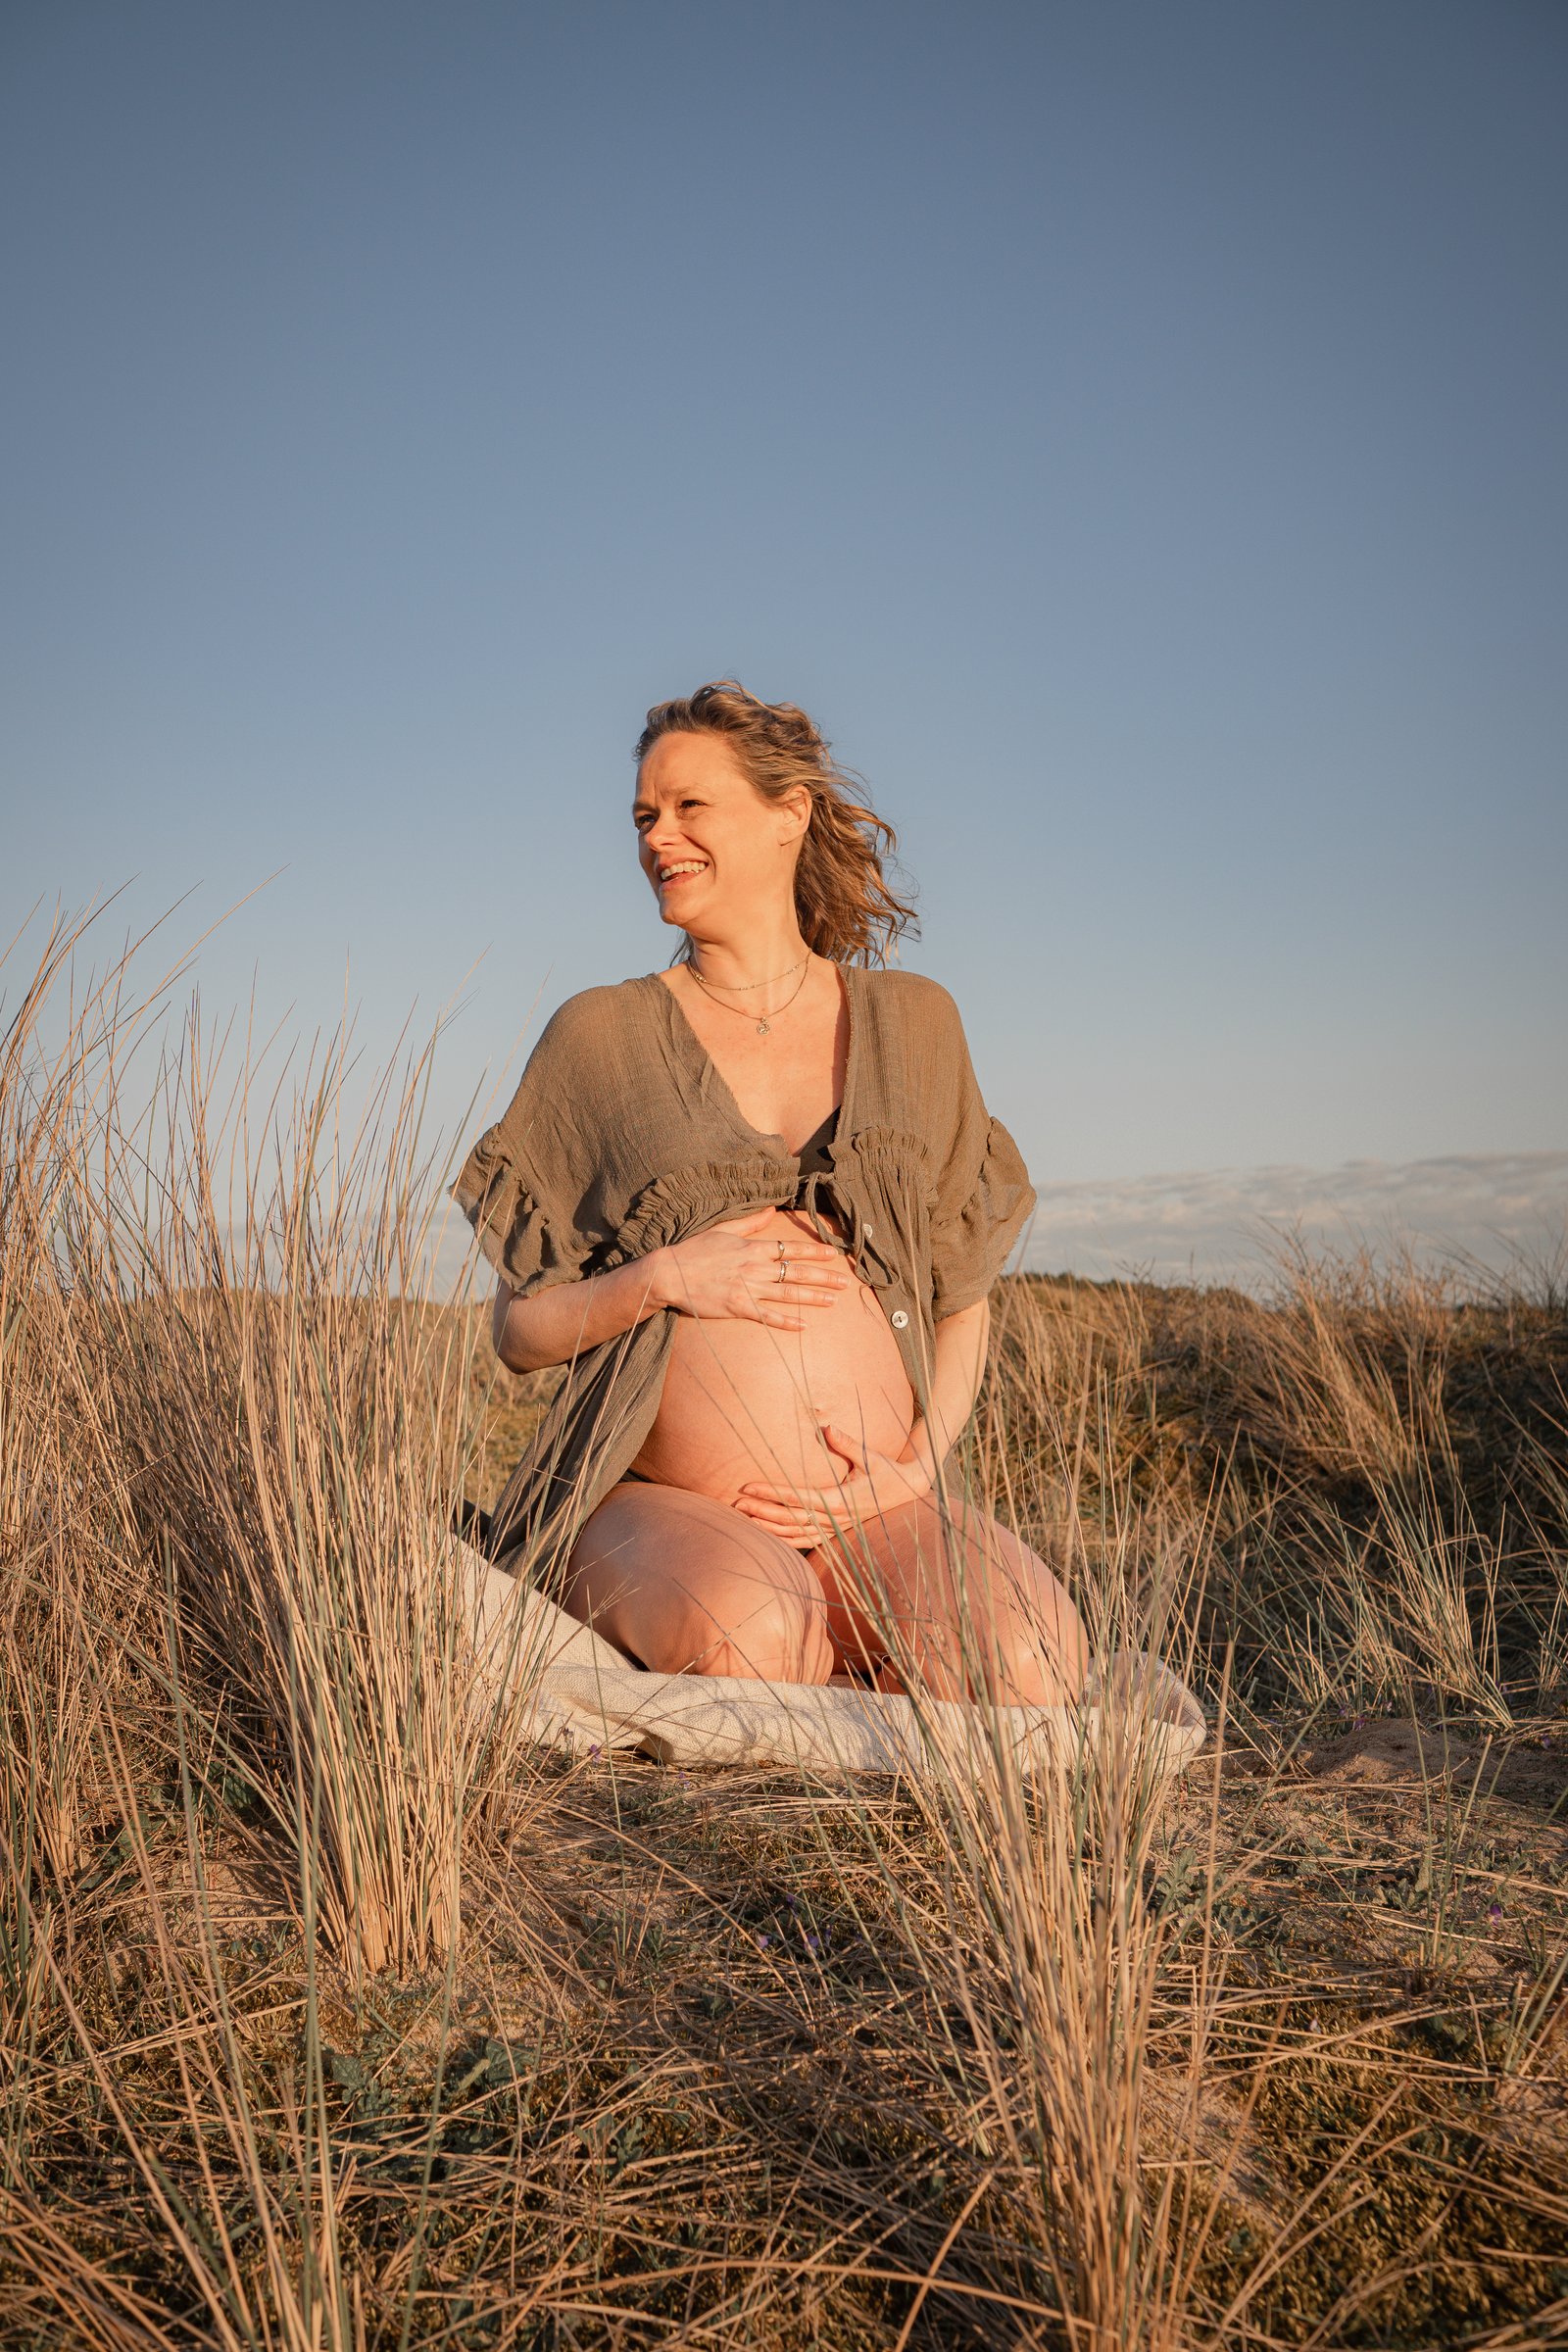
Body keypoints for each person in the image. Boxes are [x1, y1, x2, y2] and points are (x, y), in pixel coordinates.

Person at [455, 682, 1087, 1705]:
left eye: (688, 807)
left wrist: (918, 1470)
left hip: (869, 1502)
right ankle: (679, 1601)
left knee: (1029, 1664)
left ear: (788, 815)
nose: (658, 837)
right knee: (750, 1636)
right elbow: (521, 1333)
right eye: (643, 817)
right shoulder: (601, 1038)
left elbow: (963, 1296)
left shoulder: (915, 1024)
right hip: (656, 1497)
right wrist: (662, 1277)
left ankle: (850, 1640)